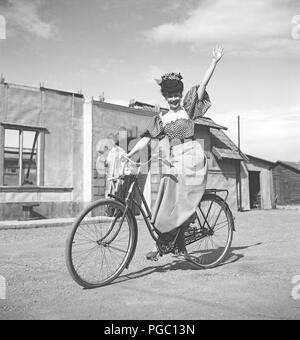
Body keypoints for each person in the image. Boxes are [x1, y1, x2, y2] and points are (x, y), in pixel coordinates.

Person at [123, 46, 224, 260]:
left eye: (177, 94)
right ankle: (163, 244)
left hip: (192, 159)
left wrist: (213, 62)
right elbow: (146, 138)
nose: (174, 99)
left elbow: (203, 86)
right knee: (164, 202)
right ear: (165, 97)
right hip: (174, 161)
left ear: (181, 94)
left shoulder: (188, 107)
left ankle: (169, 244)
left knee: (182, 198)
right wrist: (131, 154)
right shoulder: (162, 119)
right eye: (170, 96)